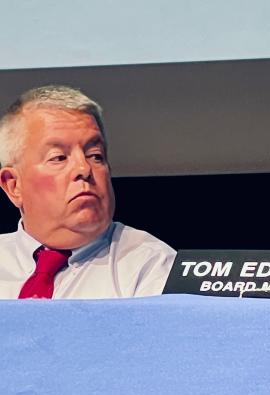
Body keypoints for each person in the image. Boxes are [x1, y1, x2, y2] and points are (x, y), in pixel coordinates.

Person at [0, 85, 174, 299]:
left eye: (95, 155)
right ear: (13, 185)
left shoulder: (149, 264)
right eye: (59, 158)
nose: (84, 169)